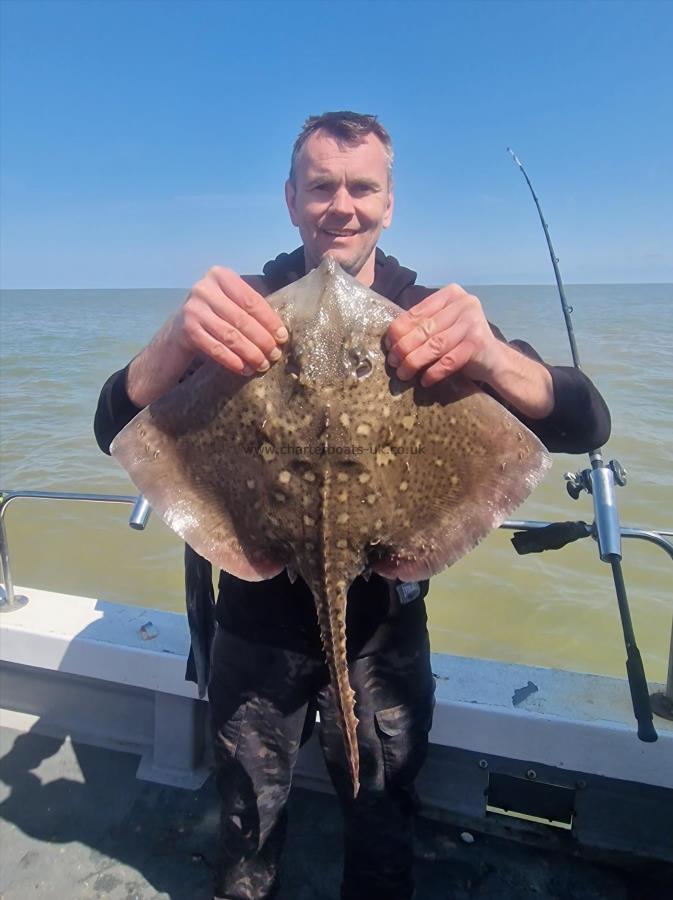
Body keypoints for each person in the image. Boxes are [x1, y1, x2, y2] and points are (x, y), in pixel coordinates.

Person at [94, 111, 611, 900]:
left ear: (389, 202)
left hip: (385, 638)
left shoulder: (431, 315)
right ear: (292, 199)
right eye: (321, 186)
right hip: (252, 630)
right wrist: (170, 344)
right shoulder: (244, 307)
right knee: (246, 831)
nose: (342, 205)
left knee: (381, 826)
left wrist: (492, 358)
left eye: (361, 187)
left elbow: (583, 421)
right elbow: (113, 428)